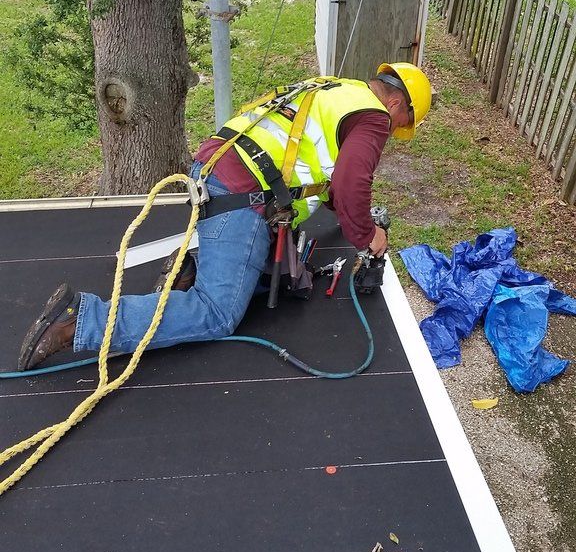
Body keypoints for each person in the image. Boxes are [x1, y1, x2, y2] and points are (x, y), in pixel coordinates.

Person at [18, 63, 432, 371]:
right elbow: (353, 178)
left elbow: (322, 174)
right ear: (396, 103)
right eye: (402, 125)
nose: (393, 132)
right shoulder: (374, 115)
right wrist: (367, 236)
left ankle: (191, 270)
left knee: (277, 272)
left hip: (214, 171)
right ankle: (82, 320)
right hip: (241, 197)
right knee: (218, 313)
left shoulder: (337, 88)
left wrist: (341, 209)